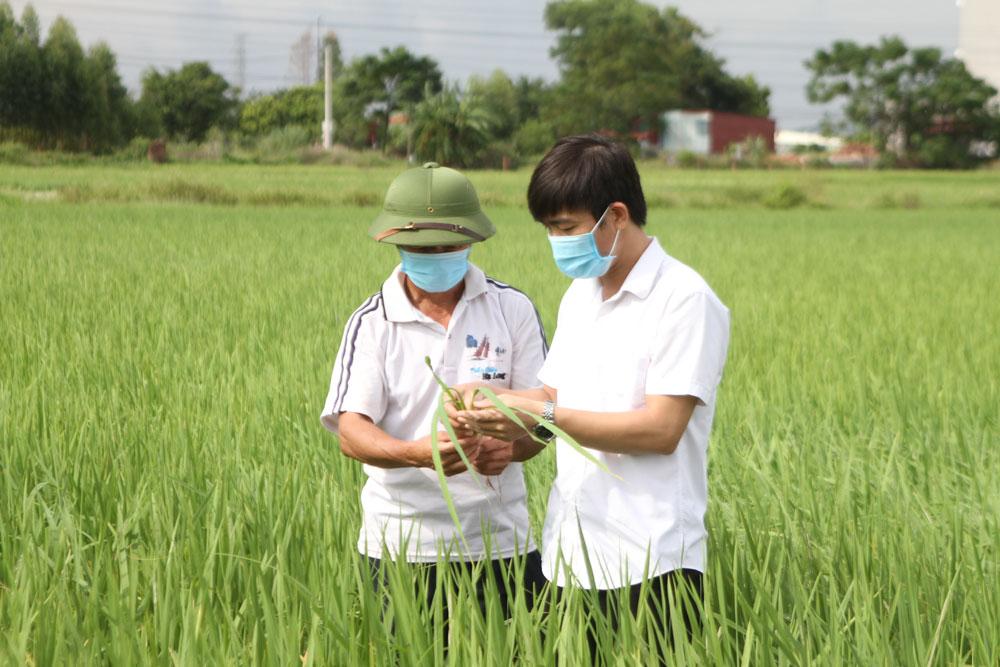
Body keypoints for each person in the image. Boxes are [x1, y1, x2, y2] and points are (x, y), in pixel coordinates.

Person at [450, 135, 731, 652]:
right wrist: (498, 428)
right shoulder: (581, 296)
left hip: (653, 561)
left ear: (616, 215)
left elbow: (661, 429)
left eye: (566, 228)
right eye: (549, 230)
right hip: (569, 554)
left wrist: (540, 409)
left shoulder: (684, 299)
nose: (557, 242)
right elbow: (550, 408)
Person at [319, 162, 549, 629]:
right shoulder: (372, 323)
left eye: (449, 246)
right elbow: (351, 430)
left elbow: (544, 418)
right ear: (395, 244)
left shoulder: (512, 309)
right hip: (401, 548)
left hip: (503, 543)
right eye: (421, 248)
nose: (436, 256)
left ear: (472, 240)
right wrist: (416, 454)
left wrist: (512, 447)